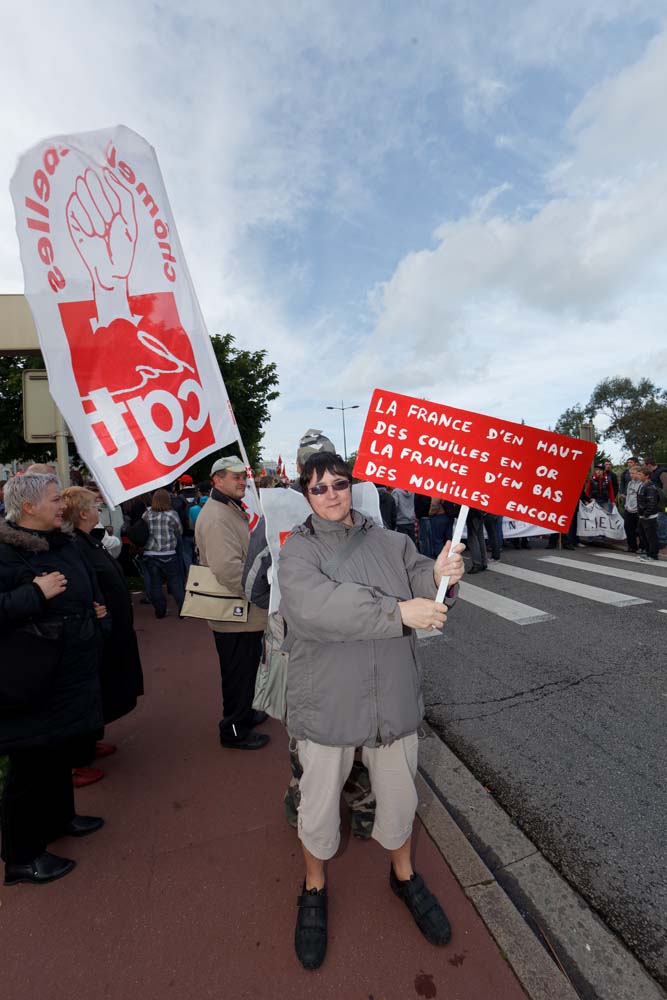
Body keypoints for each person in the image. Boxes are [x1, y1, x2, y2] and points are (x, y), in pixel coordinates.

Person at [279, 452, 465, 970]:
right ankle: (314, 886)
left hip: (393, 698)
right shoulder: (297, 552)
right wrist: (397, 611)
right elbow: (314, 608)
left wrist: (444, 574)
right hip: (329, 701)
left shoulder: (393, 541)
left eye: (340, 483)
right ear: (305, 494)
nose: (332, 494)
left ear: (352, 486)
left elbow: (428, 589)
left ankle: (402, 874)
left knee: (401, 801)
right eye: (319, 488)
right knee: (316, 808)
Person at [243, 432, 377, 838]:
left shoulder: (275, 517)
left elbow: (253, 588)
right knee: (358, 723)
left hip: (299, 643)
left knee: (306, 728)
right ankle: (364, 807)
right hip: (359, 640)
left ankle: (303, 801)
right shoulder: (368, 506)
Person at [0, 474, 105, 885]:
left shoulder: (60, 542)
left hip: (65, 670)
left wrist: (92, 611)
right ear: (28, 507)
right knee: (29, 767)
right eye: (54, 498)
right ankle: (23, 857)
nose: (62, 504)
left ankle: (61, 818)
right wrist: (35, 594)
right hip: (31, 677)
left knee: (57, 752)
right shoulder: (6, 551)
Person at [62, 488, 144, 759]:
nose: (99, 509)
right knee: (96, 687)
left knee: (106, 686)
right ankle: (79, 753)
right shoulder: (77, 545)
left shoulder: (89, 541)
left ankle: (91, 739)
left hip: (112, 627)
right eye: (95, 505)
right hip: (100, 630)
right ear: (83, 513)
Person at [195, 455, 269, 750]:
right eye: (235, 477)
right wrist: (259, 592)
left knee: (246, 667)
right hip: (236, 611)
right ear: (217, 481)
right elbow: (228, 570)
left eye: (243, 476)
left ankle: (245, 714)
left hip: (241, 610)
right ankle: (234, 730)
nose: (242, 481)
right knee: (238, 671)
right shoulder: (217, 515)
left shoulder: (225, 509)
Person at [142, 488, 185, 618]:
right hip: (168, 552)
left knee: (155, 584)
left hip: (150, 553)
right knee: (176, 582)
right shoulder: (172, 514)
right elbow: (179, 531)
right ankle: (182, 610)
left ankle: (160, 611)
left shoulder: (146, 514)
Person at [636, 466, 661, 561]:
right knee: (643, 535)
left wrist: (646, 514)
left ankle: (653, 555)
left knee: (651, 536)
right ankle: (647, 553)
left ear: (647, 476)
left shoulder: (650, 487)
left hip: (649, 517)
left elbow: (652, 502)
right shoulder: (642, 485)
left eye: (640, 474)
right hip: (642, 516)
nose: (638, 476)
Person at [622, 466, 641, 553]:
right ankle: (632, 546)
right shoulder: (630, 483)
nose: (631, 475)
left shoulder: (642, 483)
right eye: (630, 473)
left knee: (640, 530)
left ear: (638, 473)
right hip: (628, 509)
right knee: (628, 528)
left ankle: (642, 547)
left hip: (637, 510)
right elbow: (628, 495)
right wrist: (626, 504)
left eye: (633, 473)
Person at [465, 507, 488, 573]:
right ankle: (483, 562)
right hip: (479, 513)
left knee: (473, 539)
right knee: (480, 537)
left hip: (473, 513)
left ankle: (477, 564)